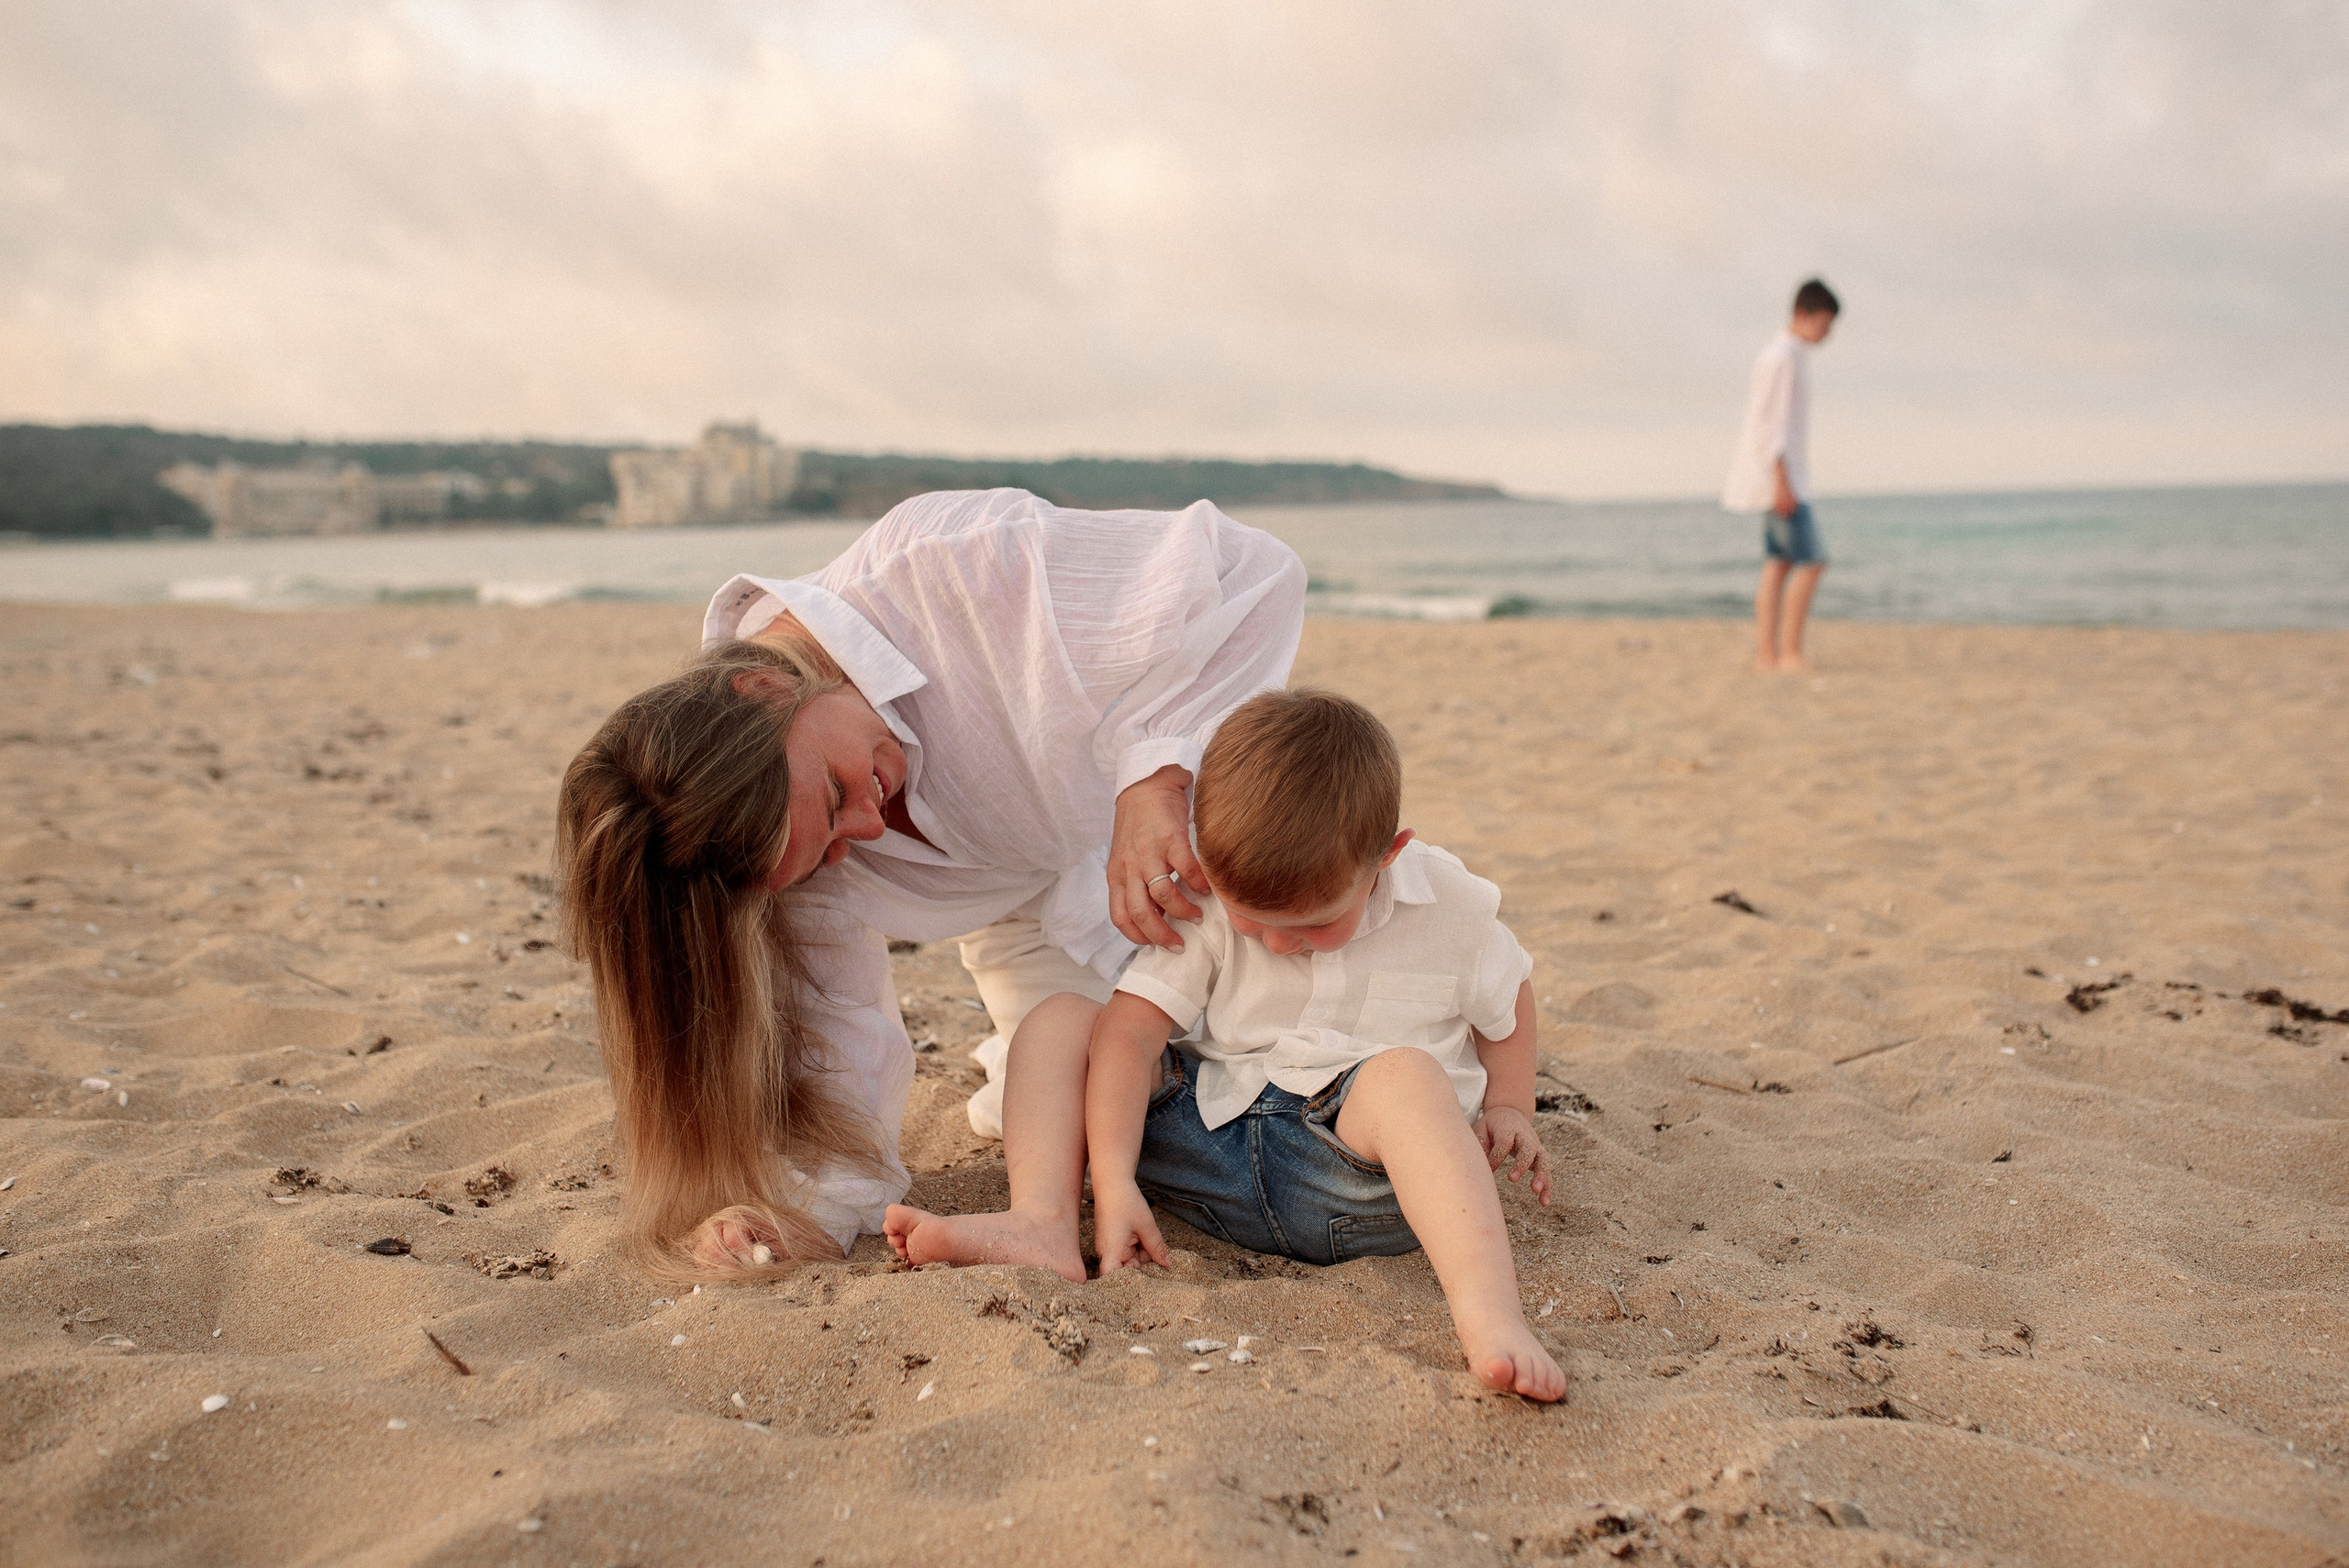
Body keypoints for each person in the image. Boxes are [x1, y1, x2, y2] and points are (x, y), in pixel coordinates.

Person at [556, 488, 1305, 1275]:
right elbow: (842, 1038)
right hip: (1028, 915)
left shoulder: (958, 567)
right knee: (1123, 1122)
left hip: (1150, 853)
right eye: (826, 850)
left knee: (1301, 1071)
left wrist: (1154, 777)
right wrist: (801, 1217)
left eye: (836, 793)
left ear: (764, 688)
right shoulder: (758, 847)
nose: (870, 832)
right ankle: (1018, 1065)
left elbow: (1256, 574)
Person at [886, 689, 1565, 1401]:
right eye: (1251, 919)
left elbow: (1509, 991)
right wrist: (1113, 1181)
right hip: (1205, 1149)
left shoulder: (1449, 904)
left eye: (1312, 923)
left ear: (1387, 857)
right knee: (1060, 1018)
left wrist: (1512, 1106)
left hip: (1358, 1179)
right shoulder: (1211, 893)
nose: (1277, 943)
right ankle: (1044, 1220)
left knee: (1406, 1077)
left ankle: (1491, 1318)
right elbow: (1131, 1032)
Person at [1722, 277, 1839, 672]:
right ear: (1802, 314)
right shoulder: (1781, 359)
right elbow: (1769, 426)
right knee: (1811, 561)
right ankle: (1787, 653)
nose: (1827, 334)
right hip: (1782, 480)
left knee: (1781, 564)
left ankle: (1768, 654)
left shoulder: (1786, 357)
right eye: (1824, 324)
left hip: (1782, 477)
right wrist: (1782, 480)